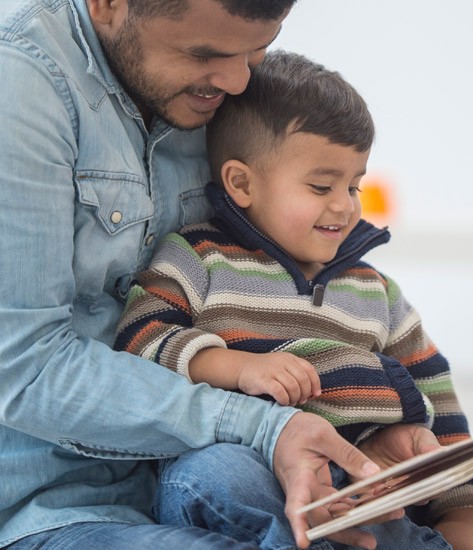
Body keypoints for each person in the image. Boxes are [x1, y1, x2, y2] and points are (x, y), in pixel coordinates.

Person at [114, 51, 473, 550]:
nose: (344, 204)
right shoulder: (198, 257)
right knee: (214, 478)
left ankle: (397, 532)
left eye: (354, 184)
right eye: (322, 186)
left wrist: (457, 513)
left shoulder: (374, 290)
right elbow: (138, 338)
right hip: (254, 467)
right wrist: (234, 366)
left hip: (373, 476)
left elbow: (439, 396)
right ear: (242, 183)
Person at [0, 1, 400, 549]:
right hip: (53, 506)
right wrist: (262, 425)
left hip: (209, 468)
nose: (238, 81)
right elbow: (25, 370)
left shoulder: (213, 87)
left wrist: (374, 426)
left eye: (257, 49)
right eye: (205, 54)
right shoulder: (19, 84)